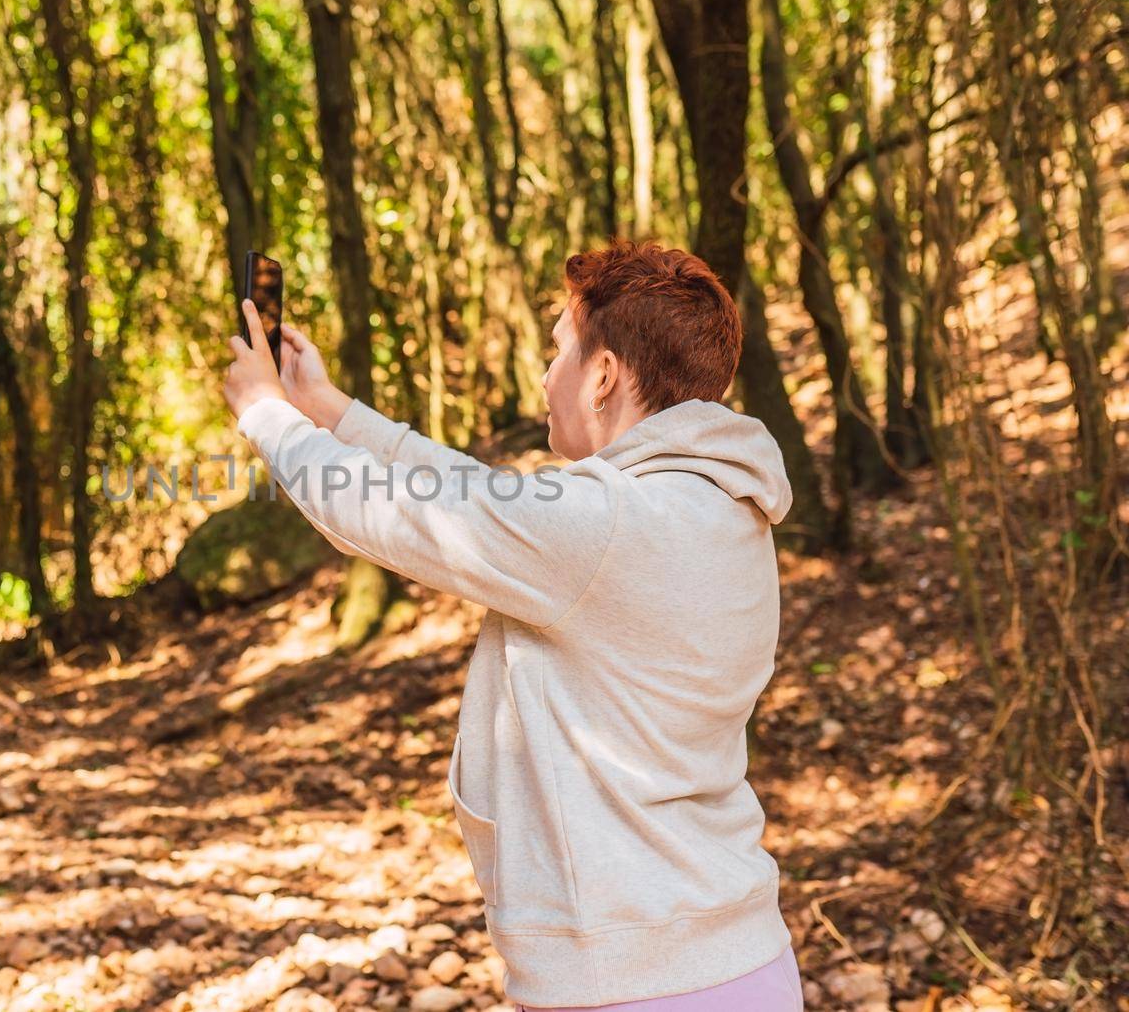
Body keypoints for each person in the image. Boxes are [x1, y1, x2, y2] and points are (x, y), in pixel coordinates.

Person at [222, 240, 804, 1011]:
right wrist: (330, 411)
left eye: (557, 348)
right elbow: (482, 499)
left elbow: (394, 513)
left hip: (631, 981)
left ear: (603, 376)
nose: (543, 373)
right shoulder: (709, 506)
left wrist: (265, 414)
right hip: (738, 959)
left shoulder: (605, 528)